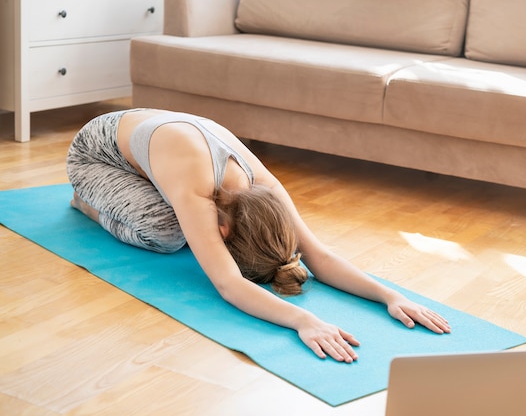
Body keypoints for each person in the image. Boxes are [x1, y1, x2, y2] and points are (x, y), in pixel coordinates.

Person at [67, 109, 451, 363]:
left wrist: (391, 296)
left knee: (180, 227)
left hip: (152, 143)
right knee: (166, 233)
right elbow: (229, 284)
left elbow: (319, 256)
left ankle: (132, 187)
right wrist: (304, 320)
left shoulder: (265, 188)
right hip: (94, 154)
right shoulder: (196, 185)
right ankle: (86, 202)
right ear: (224, 230)